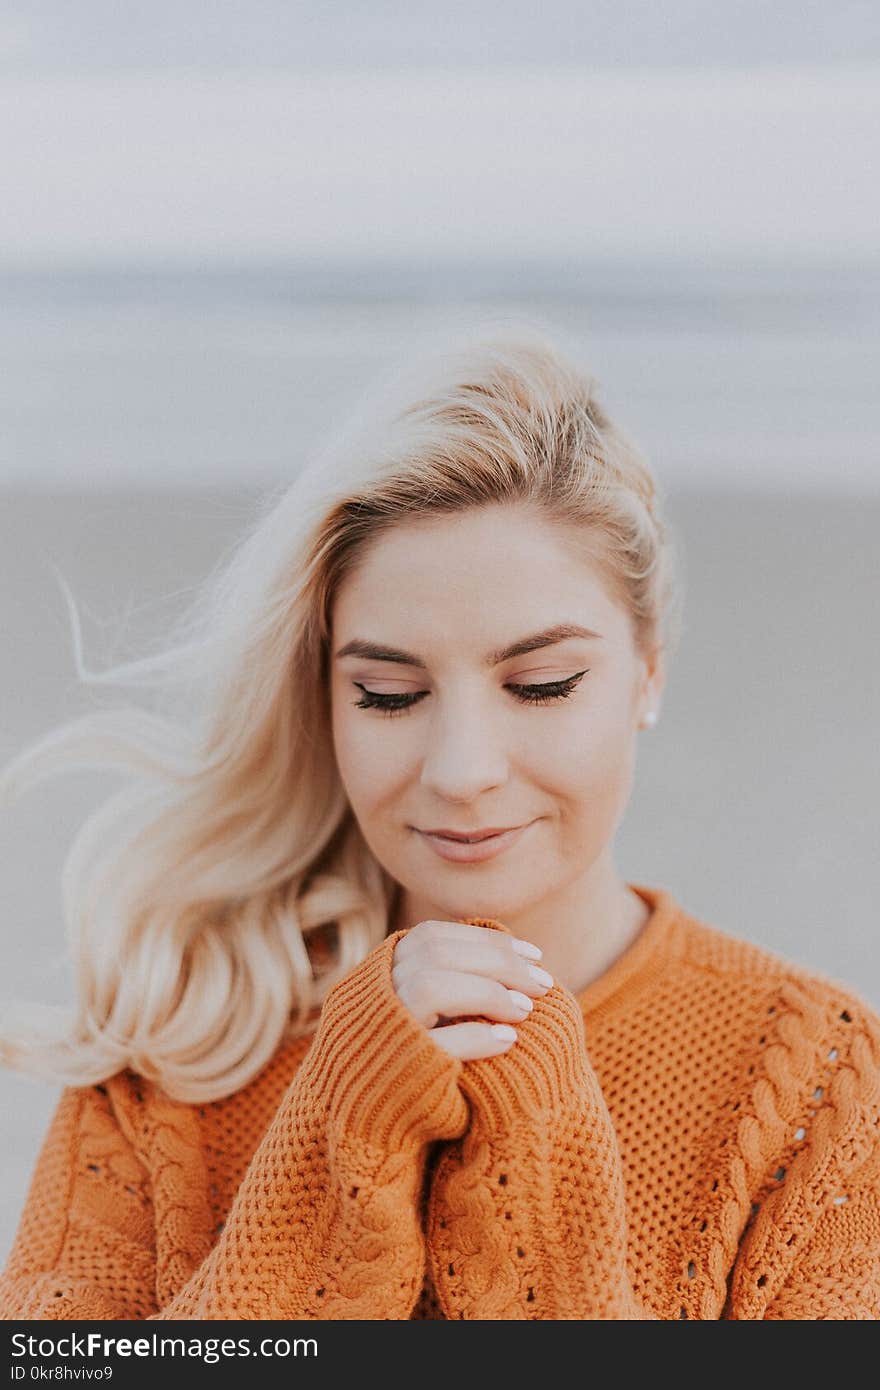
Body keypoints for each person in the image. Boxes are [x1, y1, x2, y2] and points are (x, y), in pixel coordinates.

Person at [0, 328, 877, 1321]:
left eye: (539, 685)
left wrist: (536, 1173)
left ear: (648, 669)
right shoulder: (176, 1041)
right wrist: (342, 1132)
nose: (462, 771)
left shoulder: (812, 1075)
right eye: (387, 693)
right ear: (322, 699)